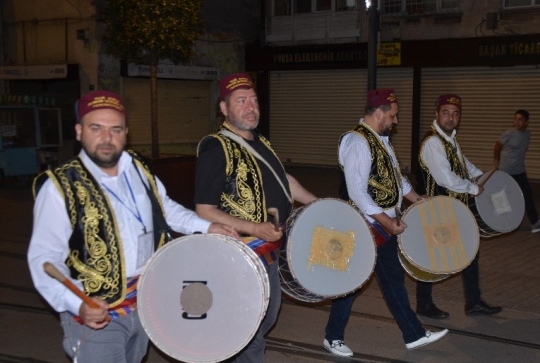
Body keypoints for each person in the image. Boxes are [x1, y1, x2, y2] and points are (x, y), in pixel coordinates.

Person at [27, 90, 237, 363]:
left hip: (145, 299)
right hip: (96, 313)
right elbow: (43, 258)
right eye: (96, 128)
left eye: (115, 129)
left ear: (126, 132)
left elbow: (166, 208)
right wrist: (76, 304)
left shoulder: (138, 168)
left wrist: (207, 227)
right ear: (79, 131)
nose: (106, 138)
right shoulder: (60, 187)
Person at [194, 73, 317, 363]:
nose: (250, 106)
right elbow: (204, 210)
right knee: (248, 328)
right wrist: (254, 228)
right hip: (240, 253)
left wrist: (321, 205)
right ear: (224, 109)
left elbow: (283, 180)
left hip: (268, 250)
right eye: (241, 101)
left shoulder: (260, 140)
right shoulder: (216, 148)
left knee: (265, 318)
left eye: (253, 100)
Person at [323, 88, 448, 358]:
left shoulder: (381, 140)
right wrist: (387, 222)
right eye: (393, 115)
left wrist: (416, 199)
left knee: (392, 281)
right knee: (351, 283)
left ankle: (413, 334)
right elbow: (357, 191)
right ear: (378, 113)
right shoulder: (357, 142)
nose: (396, 121)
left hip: (382, 224)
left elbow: (395, 177)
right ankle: (333, 337)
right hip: (360, 225)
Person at [415, 94, 502, 319]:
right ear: (436, 114)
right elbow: (445, 177)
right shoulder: (433, 142)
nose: (451, 118)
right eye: (446, 112)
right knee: (432, 255)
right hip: (438, 208)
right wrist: (473, 189)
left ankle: (473, 302)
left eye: (455, 113)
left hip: (453, 208)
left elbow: (463, 164)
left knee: (470, 252)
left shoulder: (450, 139)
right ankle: (424, 304)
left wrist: (480, 176)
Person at [493, 109, 540, 233]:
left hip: (519, 171)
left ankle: (535, 224)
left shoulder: (527, 134)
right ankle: (499, 223)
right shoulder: (509, 133)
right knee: (503, 198)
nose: (517, 122)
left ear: (526, 122)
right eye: (515, 119)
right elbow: (497, 147)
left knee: (527, 196)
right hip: (506, 171)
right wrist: (497, 162)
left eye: (520, 120)